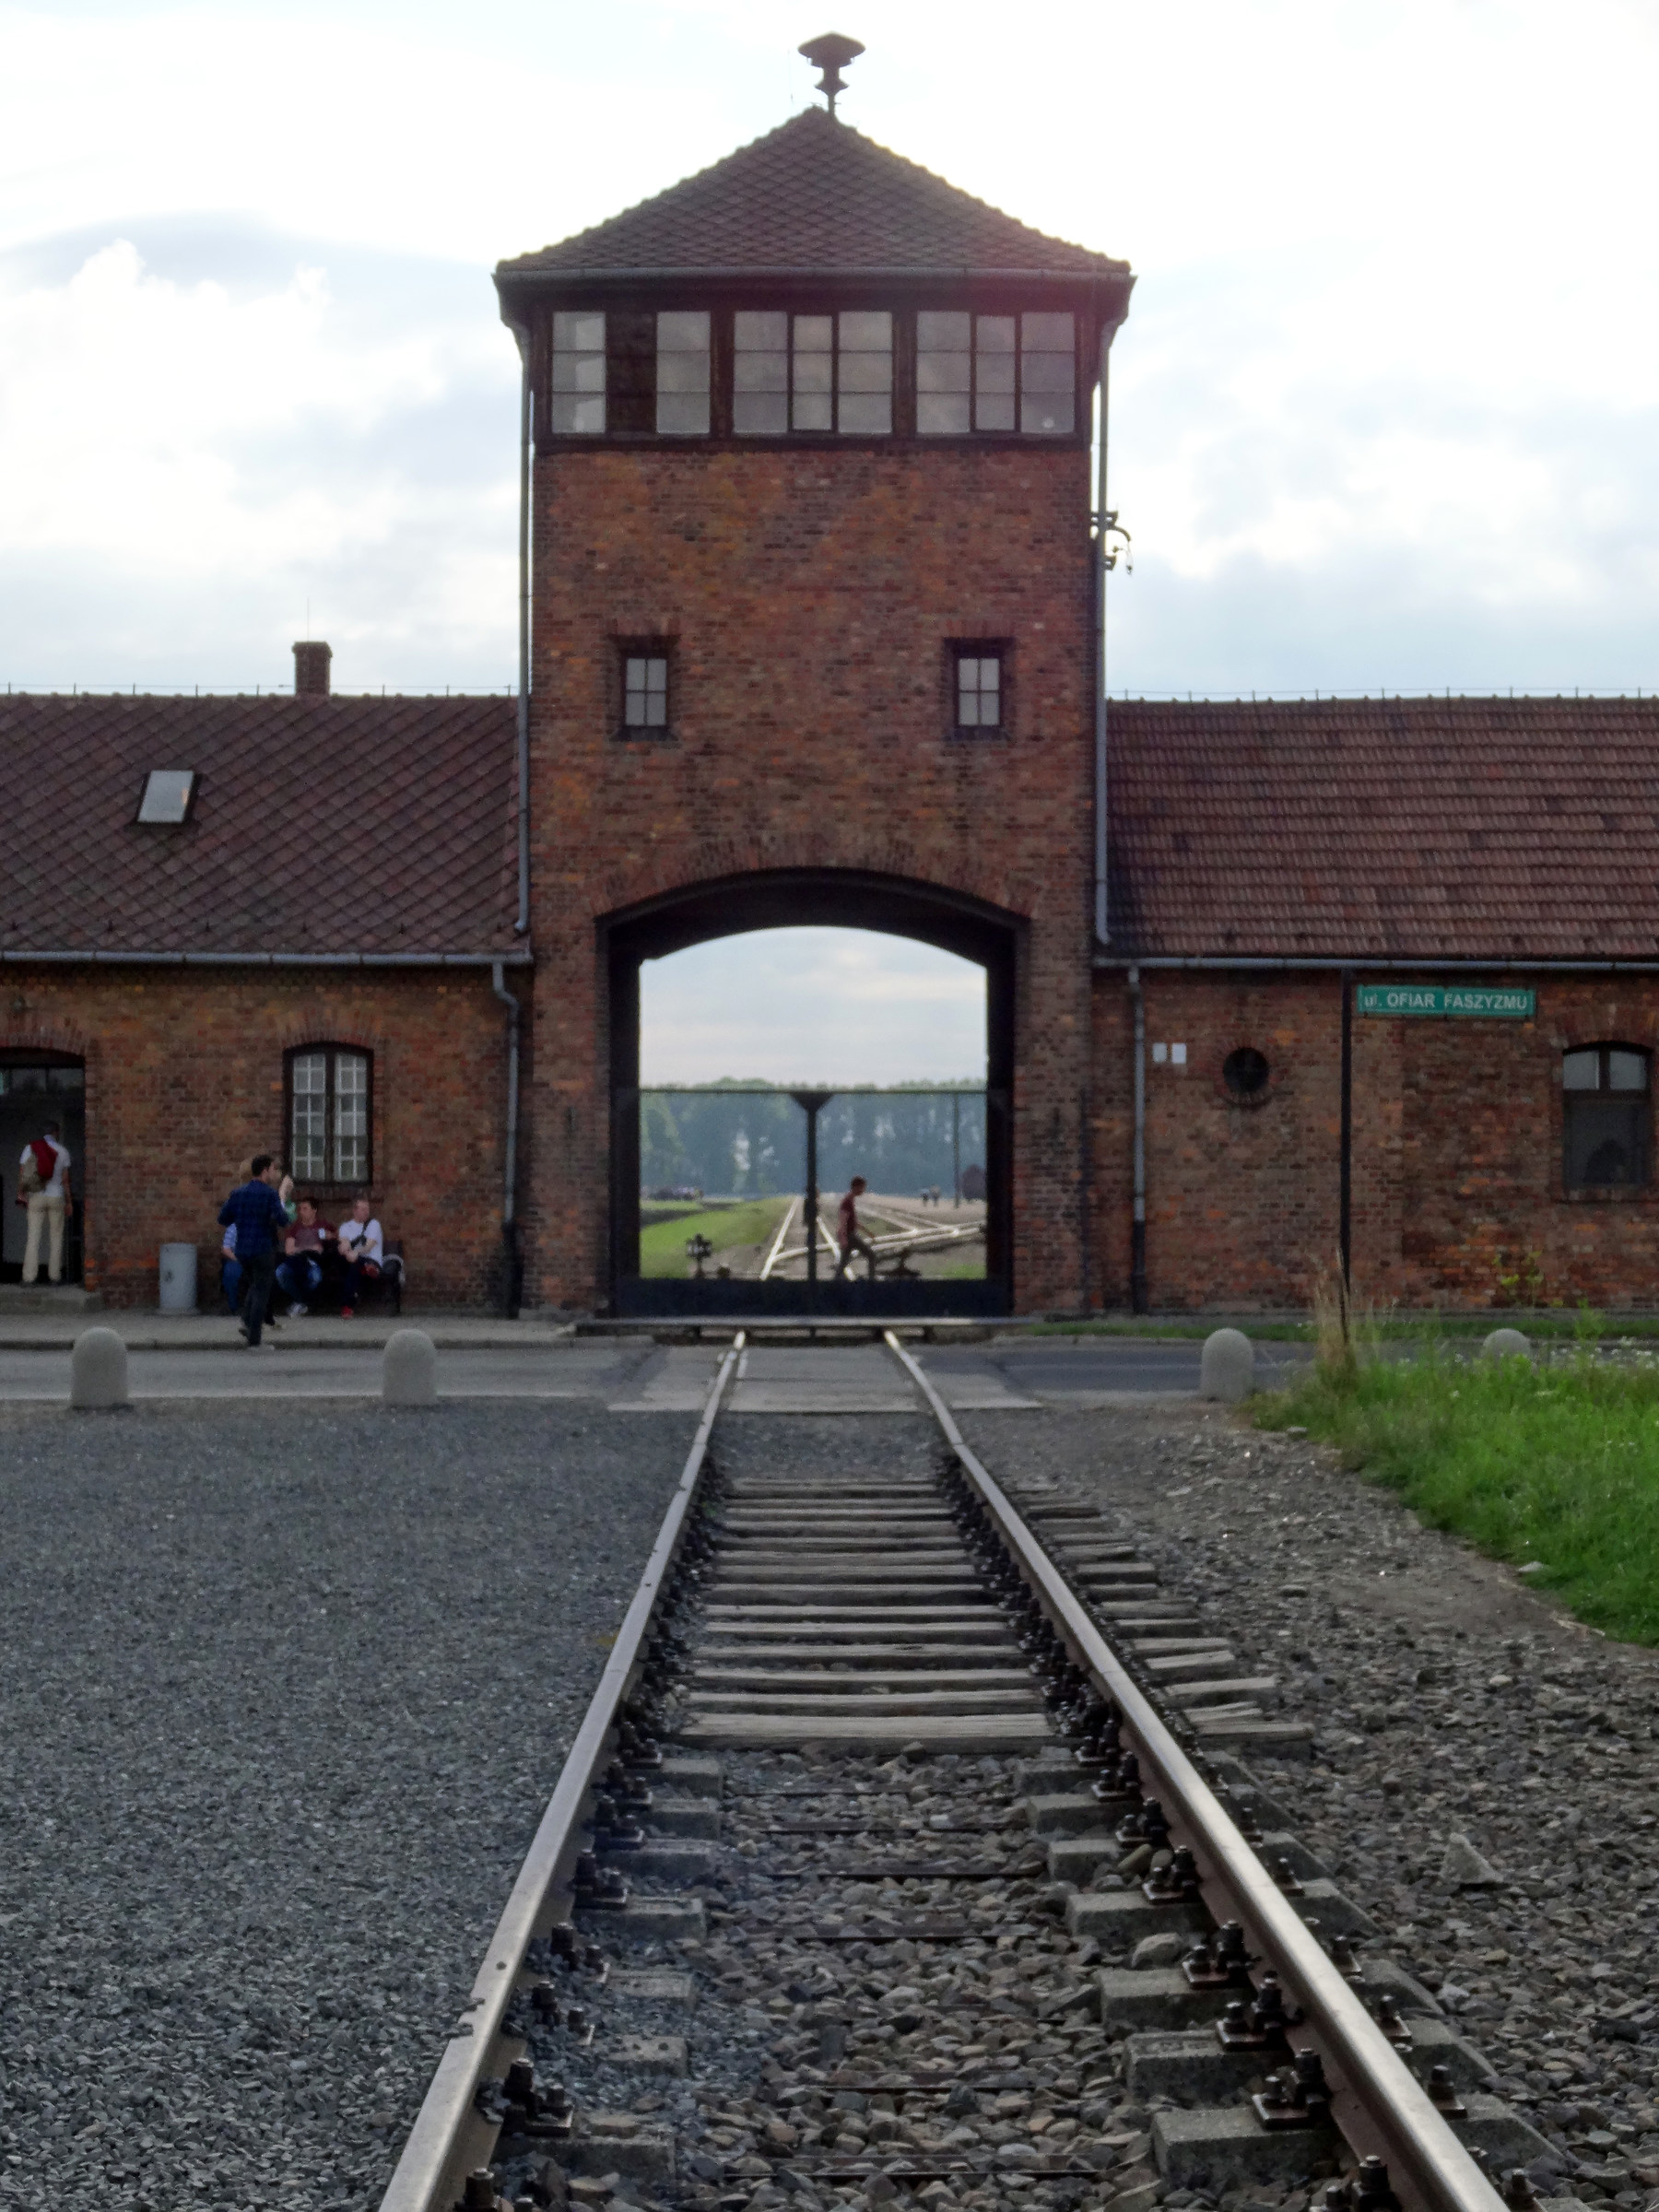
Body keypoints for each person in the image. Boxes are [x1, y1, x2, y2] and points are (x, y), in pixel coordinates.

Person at [217, 1155, 289, 1348]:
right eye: (273, 1169)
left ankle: (248, 1321)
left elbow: (223, 1218)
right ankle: (254, 1338)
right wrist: (280, 1206)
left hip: (242, 1249)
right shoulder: (269, 1194)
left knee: (255, 1285)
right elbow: (283, 1220)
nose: (274, 1173)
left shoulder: (238, 1193)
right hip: (263, 1247)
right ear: (265, 1171)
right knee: (261, 1291)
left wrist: (242, 1218)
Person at [18, 1119, 73, 1285]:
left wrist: (21, 1194)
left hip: (36, 1195)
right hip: (56, 1196)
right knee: (56, 1236)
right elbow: (65, 1179)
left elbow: (23, 1173)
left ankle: (29, 1277)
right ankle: (55, 1277)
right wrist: (69, 1201)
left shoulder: (30, 1148)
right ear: (56, 1133)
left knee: (33, 1236)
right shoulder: (63, 1151)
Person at [276, 1196, 333, 1315]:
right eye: (300, 1209)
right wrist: (311, 1247)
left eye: (305, 1209)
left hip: (313, 1262)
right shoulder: (294, 1228)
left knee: (315, 1278)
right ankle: (302, 1302)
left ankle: (299, 1303)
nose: (301, 1211)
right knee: (280, 1273)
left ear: (314, 1210)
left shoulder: (323, 1225)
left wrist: (330, 1237)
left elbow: (336, 1238)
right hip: (295, 1261)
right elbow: (289, 1250)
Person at [336, 1194, 384, 1315]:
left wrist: (355, 1253)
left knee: (355, 1266)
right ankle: (365, 1271)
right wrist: (347, 1252)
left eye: (367, 1209)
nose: (366, 1212)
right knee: (347, 1263)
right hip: (351, 1262)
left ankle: (347, 1306)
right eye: (363, 1209)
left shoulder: (374, 1224)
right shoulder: (345, 1227)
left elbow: (368, 1246)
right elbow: (344, 1244)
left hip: (370, 1260)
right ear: (354, 1210)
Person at [834, 1174, 877, 1281]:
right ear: (856, 1187)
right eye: (863, 1187)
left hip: (850, 1235)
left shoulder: (850, 1200)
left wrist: (867, 1232)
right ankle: (872, 1282)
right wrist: (843, 1238)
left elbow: (853, 1222)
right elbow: (843, 1221)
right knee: (871, 1255)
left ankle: (834, 1283)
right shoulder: (847, 1202)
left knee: (843, 1263)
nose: (863, 1190)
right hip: (850, 1236)